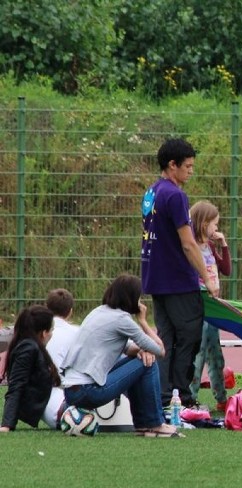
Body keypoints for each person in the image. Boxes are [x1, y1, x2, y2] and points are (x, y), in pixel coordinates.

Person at [141, 137, 219, 409]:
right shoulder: (175, 195)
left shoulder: (151, 192)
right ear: (171, 165)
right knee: (189, 337)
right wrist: (207, 278)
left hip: (156, 277)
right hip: (177, 279)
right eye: (187, 166)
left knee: (166, 338)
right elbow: (187, 242)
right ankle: (182, 396)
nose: (191, 171)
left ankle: (162, 397)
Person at [61, 274, 181, 438]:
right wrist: (143, 321)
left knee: (141, 358)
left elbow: (126, 348)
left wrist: (141, 351)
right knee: (149, 363)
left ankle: (145, 425)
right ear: (132, 298)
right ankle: (154, 423)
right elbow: (160, 350)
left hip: (71, 393)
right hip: (88, 392)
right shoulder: (122, 319)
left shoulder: (99, 311)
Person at [188, 200, 232, 412]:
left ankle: (221, 397)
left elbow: (226, 269)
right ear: (204, 223)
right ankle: (191, 397)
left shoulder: (210, 246)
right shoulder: (191, 246)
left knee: (215, 353)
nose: (216, 228)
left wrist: (223, 244)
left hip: (213, 305)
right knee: (199, 352)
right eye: (214, 224)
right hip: (199, 301)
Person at [0, 306, 60, 432]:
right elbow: (16, 386)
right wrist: (7, 425)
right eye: (51, 330)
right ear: (44, 333)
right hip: (54, 408)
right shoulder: (28, 348)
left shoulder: (31, 345)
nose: (52, 334)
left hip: (53, 403)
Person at [43, 288, 80, 428]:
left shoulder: (37, 333)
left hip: (45, 406)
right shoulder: (77, 332)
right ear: (70, 311)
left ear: (46, 307)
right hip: (66, 405)